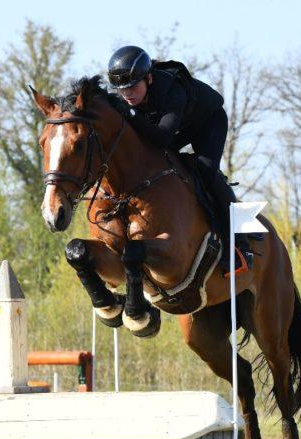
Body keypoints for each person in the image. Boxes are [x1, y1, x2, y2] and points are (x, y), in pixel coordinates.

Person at [106, 45, 253, 271]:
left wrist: (131, 115)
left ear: (149, 79)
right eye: (122, 90)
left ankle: (240, 244)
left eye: (133, 87)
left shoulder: (173, 91)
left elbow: (163, 137)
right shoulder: (130, 99)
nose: (127, 95)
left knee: (205, 170)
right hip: (177, 127)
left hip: (207, 122)